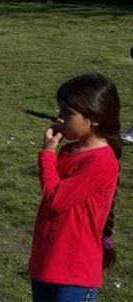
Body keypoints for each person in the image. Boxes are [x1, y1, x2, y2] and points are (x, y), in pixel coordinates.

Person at [29, 74, 121, 302]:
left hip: (73, 275)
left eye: (67, 114)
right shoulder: (69, 151)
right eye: (59, 110)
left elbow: (55, 199)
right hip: (47, 264)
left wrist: (48, 155)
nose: (59, 118)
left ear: (95, 120)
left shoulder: (101, 161)